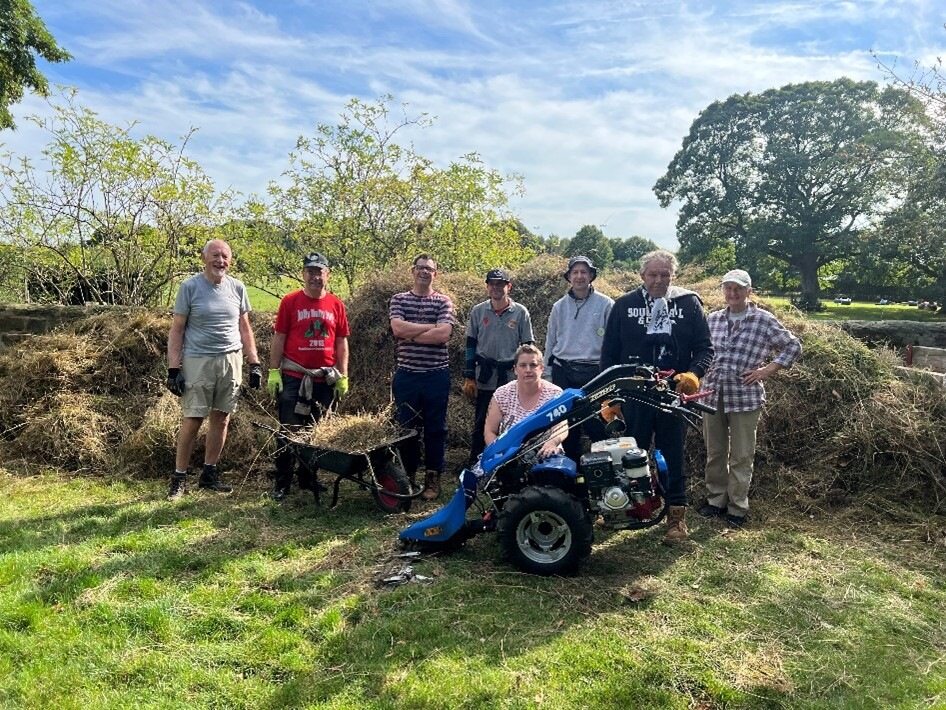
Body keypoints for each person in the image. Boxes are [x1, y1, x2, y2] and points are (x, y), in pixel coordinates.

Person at [600, 249, 713, 543]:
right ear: (642, 275)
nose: (658, 280)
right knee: (628, 452)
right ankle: (626, 508)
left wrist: (694, 375)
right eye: (653, 274)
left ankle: (676, 518)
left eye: (665, 275)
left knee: (672, 455)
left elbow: (705, 348)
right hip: (634, 394)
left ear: (673, 276)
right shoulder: (624, 305)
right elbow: (609, 355)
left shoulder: (688, 304)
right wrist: (610, 397)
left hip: (672, 395)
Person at [699, 269, 801, 528]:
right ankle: (715, 500)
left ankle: (737, 507)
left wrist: (765, 370)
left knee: (742, 454)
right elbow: (702, 350)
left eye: (738, 289)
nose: (732, 294)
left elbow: (793, 346)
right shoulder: (713, 319)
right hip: (712, 394)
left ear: (748, 291)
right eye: (728, 288)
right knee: (715, 451)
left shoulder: (763, 320)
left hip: (744, 396)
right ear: (723, 290)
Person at [166, 239, 262, 500]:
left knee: (222, 417)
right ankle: (179, 478)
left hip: (231, 360)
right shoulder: (190, 288)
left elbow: (245, 328)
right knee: (193, 418)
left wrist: (254, 362)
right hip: (199, 360)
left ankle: (209, 474)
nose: (221, 261)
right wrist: (173, 369)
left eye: (225, 256)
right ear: (204, 258)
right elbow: (177, 330)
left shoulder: (237, 288)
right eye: (215, 256)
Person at [267, 252, 351, 500]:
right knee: (289, 430)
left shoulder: (336, 305)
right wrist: (274, 371)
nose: (315, 276)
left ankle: (308, 479)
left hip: (324, 378)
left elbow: (341, 342)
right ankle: (282, 483)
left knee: (317, 431)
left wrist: (343, 375)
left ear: (328, 275)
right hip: (295, 375)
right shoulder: (290, 302)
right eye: (310, 271)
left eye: (320, 271)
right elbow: (279, 338)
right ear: (304, 274)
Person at [389, 254, 456, 500]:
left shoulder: (443, 301)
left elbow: (443, 335)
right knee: (407, 428)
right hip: (407, 376)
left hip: (436, 375)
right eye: (420, 268)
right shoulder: (399, 299)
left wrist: (411, 332)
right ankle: (407, 477)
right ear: (413, 271)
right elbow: (397, 329)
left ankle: (432, 479)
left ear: (435, 274)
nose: (424, 272)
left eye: (429, 269)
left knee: (435, 429)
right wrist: (428, 327)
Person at [544, 255, 614, 462]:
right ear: (569, 277)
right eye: (575, 272)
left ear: (591, 276)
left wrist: (609, 374)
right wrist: (547, 375)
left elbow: (612, 343)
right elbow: (550, 340)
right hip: (563, 370)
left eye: (584, 272)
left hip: (594, 371)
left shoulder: (606, 304)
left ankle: (602, 474)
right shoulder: (559, 307)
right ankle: (569, 475)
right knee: (566, 425)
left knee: (597, 425)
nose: (579, 276)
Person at [463, 268, 534, 462]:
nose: (496, 287)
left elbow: (528, 346)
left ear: (508, 287)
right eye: (492, 284)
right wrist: (469, 375)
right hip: (485, 377)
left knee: (511, 420)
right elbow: (470, 345)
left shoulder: (520, 312)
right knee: (482, 421)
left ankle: (509, 461)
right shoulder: (478, 311)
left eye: (500, 284)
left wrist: (527, 375)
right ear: (487, 287)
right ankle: (476, 462)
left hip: (509, 377)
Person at [484, 344, 566, 458]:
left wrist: (552, 443)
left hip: (546, 452)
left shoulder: (555, 393)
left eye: (533, 365)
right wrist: (498, 453)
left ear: (542, 368)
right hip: (508, 454)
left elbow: (562, 426)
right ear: (515, 370)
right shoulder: (502, 394)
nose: (528, 370)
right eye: (523, 365)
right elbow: (490, 431)